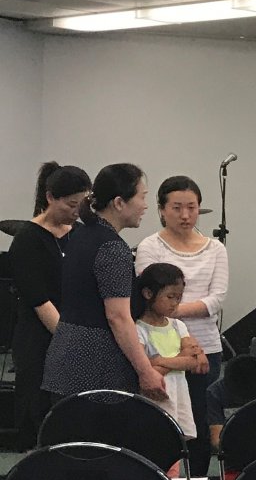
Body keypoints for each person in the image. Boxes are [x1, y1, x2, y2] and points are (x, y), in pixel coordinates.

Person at [43, 163, 167, 402]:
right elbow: (117, 317)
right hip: (96, 365)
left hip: (65, 357)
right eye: (142, 197)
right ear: (119, 203)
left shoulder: (79, 234)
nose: (145, 205)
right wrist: (145, 370)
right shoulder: (112, 248)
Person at [135, 175, 229, 476]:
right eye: (176, 208)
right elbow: (151, 297)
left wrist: (173, 311)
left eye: (192, 207)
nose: (185, 215)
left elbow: (216, 300)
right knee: (160, 421)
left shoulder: (215, 249)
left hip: (205, 349)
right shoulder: (150, 246)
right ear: (162, 209)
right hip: (157, 345)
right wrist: (179, 321)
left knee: (199, 422)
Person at [8, 162, 90, 449]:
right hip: (40, 338)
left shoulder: (81, 234)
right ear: (50, 197)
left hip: (75, 332)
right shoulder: (27, 239)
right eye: (71, 205)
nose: (77, 212)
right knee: (40, 411)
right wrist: (70, 340)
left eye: (82, 204)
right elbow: (39, 300)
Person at [133, 263, 204, 445]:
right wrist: (179, 358)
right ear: (148, 293)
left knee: (176, 447)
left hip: (179, 399)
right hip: (155, 399)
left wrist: (158, 361)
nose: (175, 303)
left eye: (179, 298)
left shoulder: (178, 326)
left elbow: (192, 361)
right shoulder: (138, 329)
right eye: (170, 297)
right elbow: (148, 372)